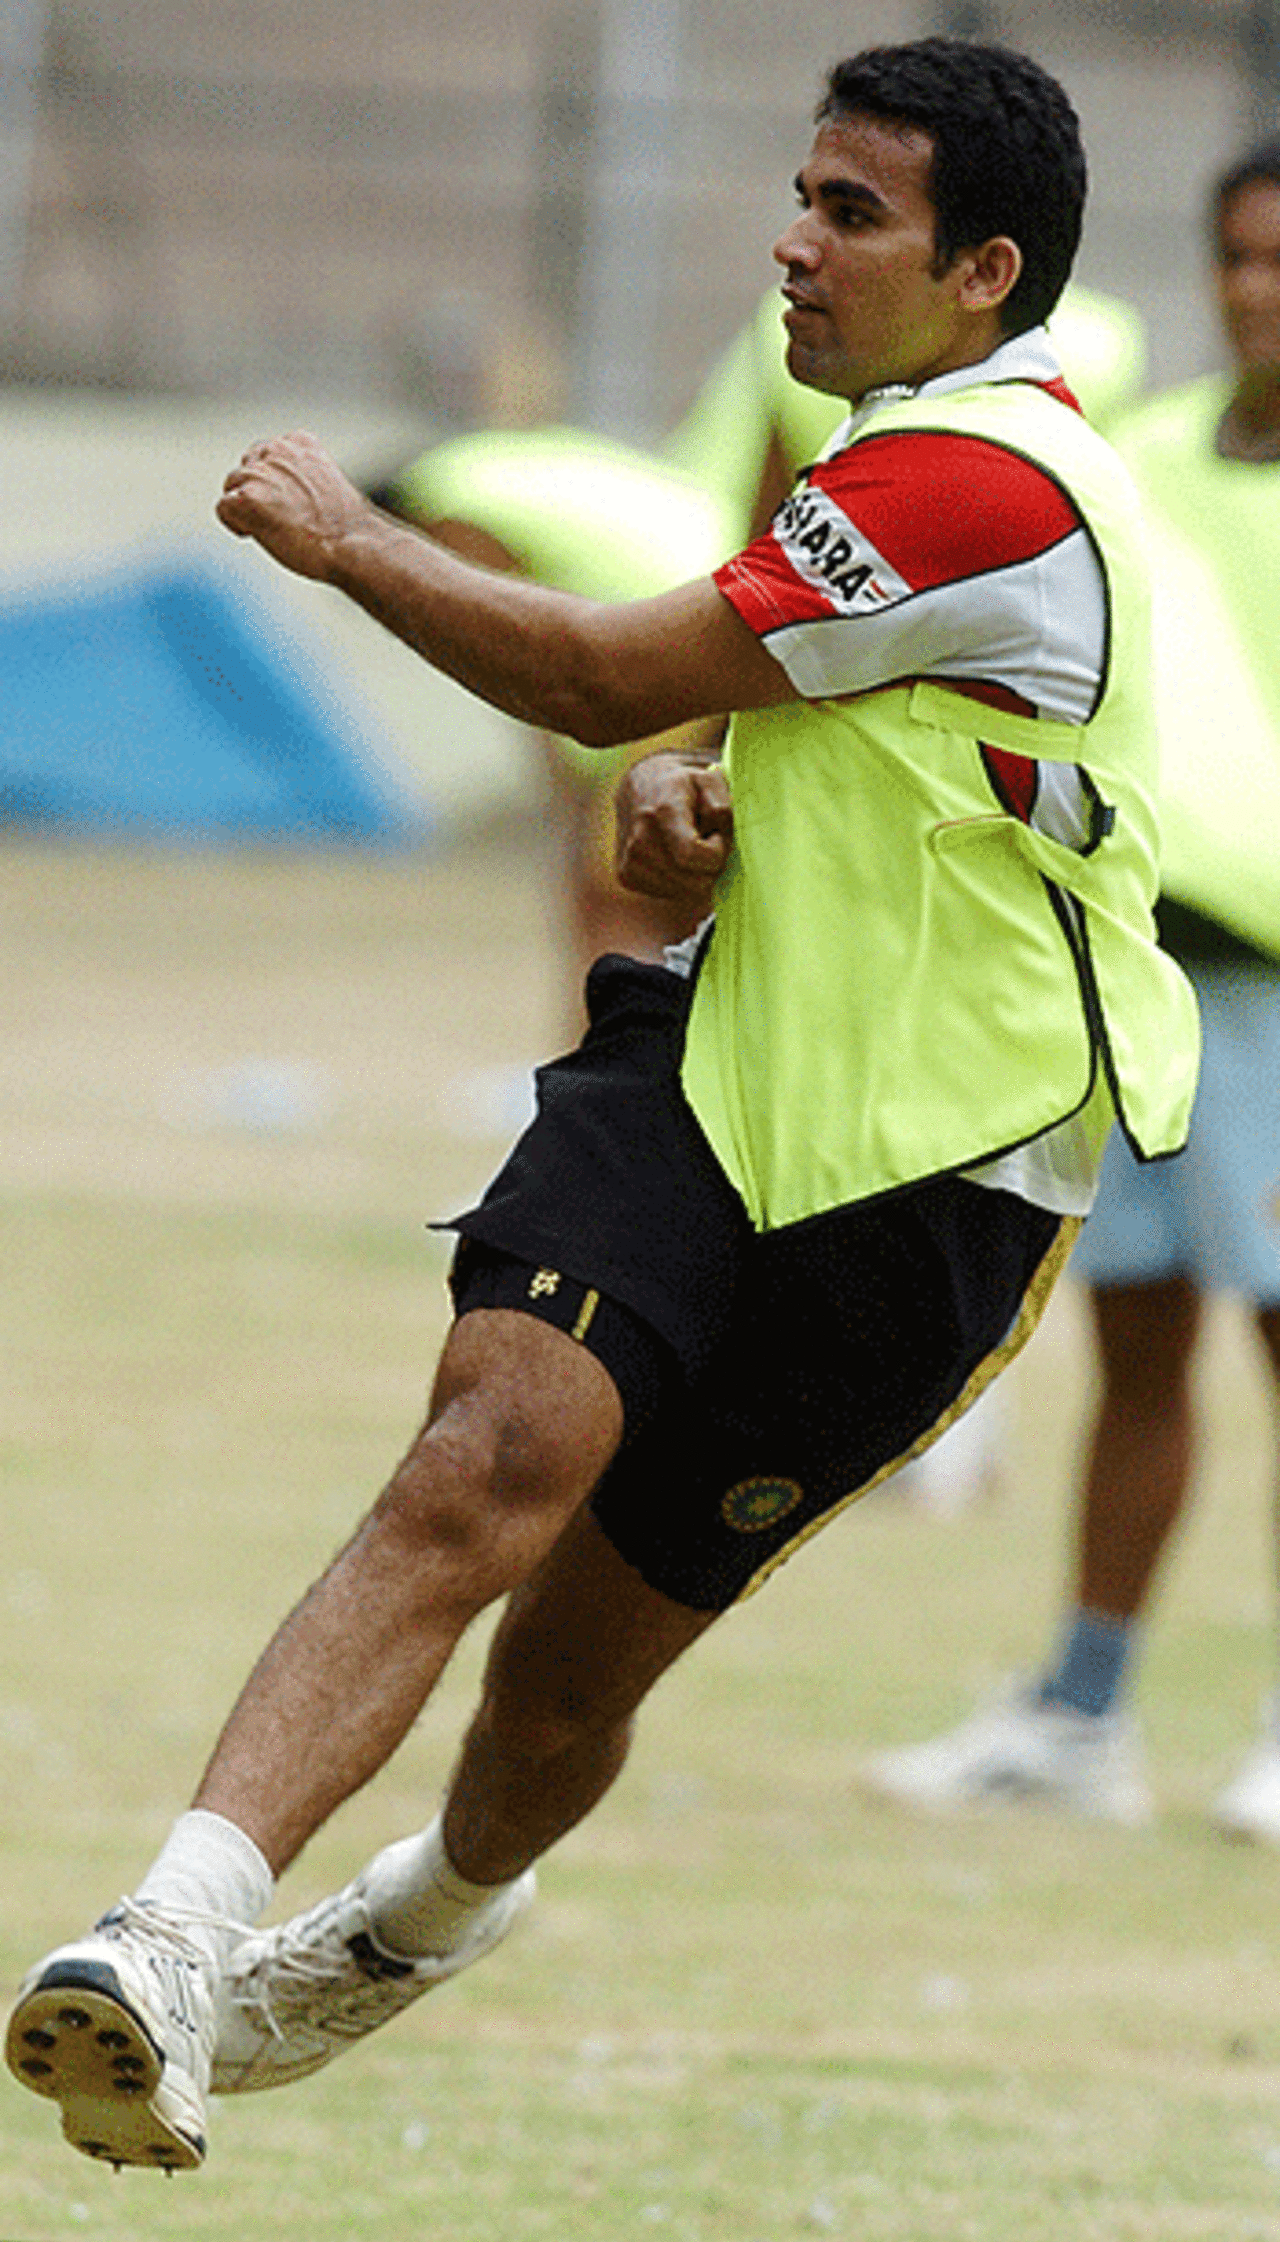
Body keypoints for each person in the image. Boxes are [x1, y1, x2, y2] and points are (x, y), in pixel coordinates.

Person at [5, 38, 1197, 2177]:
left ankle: (425, 1918)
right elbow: (880, 755)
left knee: (564, 1680)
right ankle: (169, 1930)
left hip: (943, 1167)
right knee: (486, 1450)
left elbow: (586, 672)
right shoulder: (884, 459)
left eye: (853, 213)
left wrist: (348, 536)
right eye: (800, 193)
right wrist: (715, 808)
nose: (793, 241)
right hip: (718, 1068)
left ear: (984, 268)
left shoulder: (982, 473)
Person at [859, 140, 1280, 1835]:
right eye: (1239, 255)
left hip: (1278, 980)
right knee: (1137, 1346)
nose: (1259, 289)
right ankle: (1084, 1711)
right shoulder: (1149, 457)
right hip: (1136, 963)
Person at [377, 280, 1146, 1010]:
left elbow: (548, 663)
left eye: (848, 214)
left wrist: (572, 784)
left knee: (614, 893)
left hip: (704, 611)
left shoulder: (448, 497)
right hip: (739, 591)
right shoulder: (1099, 359)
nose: (799, 246)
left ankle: (611, 1065)